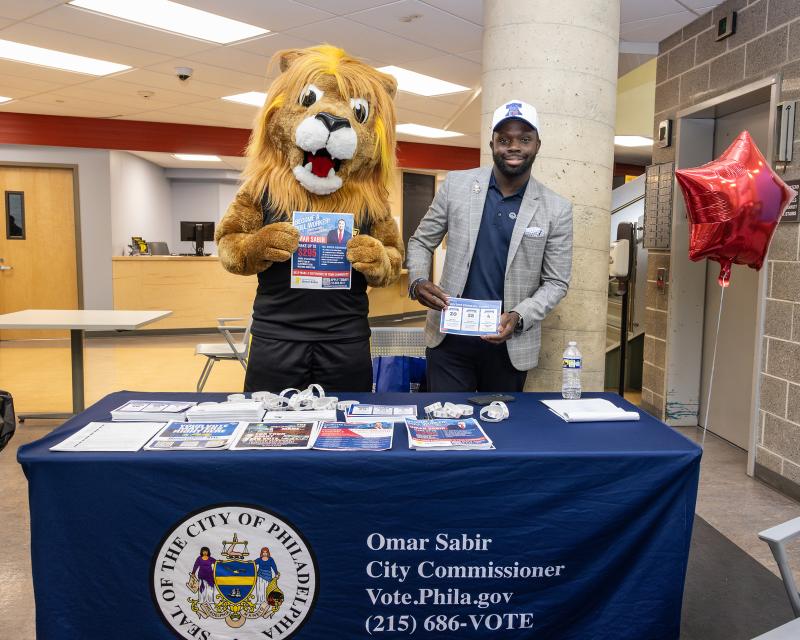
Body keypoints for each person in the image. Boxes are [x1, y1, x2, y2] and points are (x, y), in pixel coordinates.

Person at [406, 100, 573, 392]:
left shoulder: (556, 208)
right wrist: (418, 281)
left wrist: (519, 316)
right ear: (493, 143)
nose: (514, 146)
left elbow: (556, 282)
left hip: (509, 344)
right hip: (450, 340)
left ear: (537, 145)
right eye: (504, 139)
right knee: (446, 428)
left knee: (502, 430)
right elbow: (421, 241)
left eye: (524, 139)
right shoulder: (456, 186)